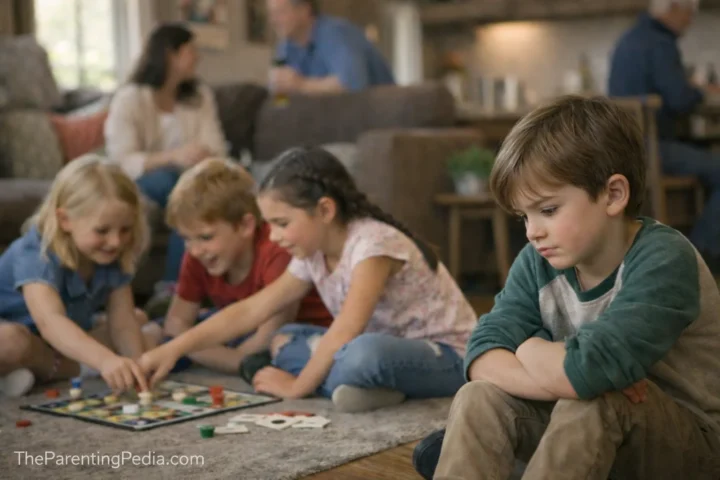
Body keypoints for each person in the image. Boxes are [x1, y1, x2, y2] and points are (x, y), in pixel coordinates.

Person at [425, 96, 720, 480]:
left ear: (613, 194)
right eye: (523, 216)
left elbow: (592, 370)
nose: (532, 231)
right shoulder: (538, 259)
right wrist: (564, 379)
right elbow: (481, 353)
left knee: (598, 399)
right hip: (579, 424)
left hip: (689, 449)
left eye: (547, 210)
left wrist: (529, 347)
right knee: (478, 397)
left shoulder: (664, 258)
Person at [138, 146, 476, 413]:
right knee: (282, 339)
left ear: (325, 211)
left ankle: (343, 381)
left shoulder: (373, 245)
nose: (273, 236)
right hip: (373, 348)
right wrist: (174, 348)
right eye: (269, 224)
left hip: (446, 356)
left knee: (360, 353)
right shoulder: (311, 251)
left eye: (282, 223)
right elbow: (250, 310)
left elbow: (346, 329)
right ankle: (368, 389)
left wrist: (296, 385)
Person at [142, 157, 332, 378]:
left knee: (281, 352)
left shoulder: (276, 251)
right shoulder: (198, 253)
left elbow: (262, 341)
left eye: (205, 236)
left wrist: (189, 349)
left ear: (245, 225)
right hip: (236, 325)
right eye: (186, 238)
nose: (194, 250)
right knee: (155, 332)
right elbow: (175, 322)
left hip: (294, 329)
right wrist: (207, 352)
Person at [0, 155, 151, 397]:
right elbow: (51, 323)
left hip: (65, 338)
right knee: (9, 341)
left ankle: (36, 370)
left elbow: (122, 322)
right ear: (65, 220)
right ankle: (74, 368)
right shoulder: (36, 253)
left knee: (138, 319)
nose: (115, 241)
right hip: (31, 334)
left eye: (125, 229)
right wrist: (105, 361)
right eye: (102, 231)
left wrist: (137, 364)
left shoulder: (112, 255)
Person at [104, 23, 227, 295]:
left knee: (189, 193)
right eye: (191, 50)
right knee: (178, 185)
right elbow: (121, 159)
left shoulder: (200, 97)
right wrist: (173, 156)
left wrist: (202, 156)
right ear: (171, 55)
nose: (198, 57)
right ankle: (176, 287)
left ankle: (176, 288)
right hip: (144, 180)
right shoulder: (130, 98)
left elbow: (216, 147)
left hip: (191, 177)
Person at [608, 0, 720, 269]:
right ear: (671, 9)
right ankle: (699, 255)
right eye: (688, 13)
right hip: (652, 149)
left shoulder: (628, 38)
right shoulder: (660, 43)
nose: (690, 20)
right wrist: (700, 89)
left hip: (624, 147)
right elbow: (679, 99)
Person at [267, 0, 395, 95]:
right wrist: (280, 93)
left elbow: (352, 85)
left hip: (381, 119)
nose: (273, 20)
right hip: (334, 122)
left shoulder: (336, 33)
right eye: (271, 14)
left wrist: (301, 84)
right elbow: (281, 102)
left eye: (280, 12)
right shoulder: (285, 48)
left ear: (304, 10)